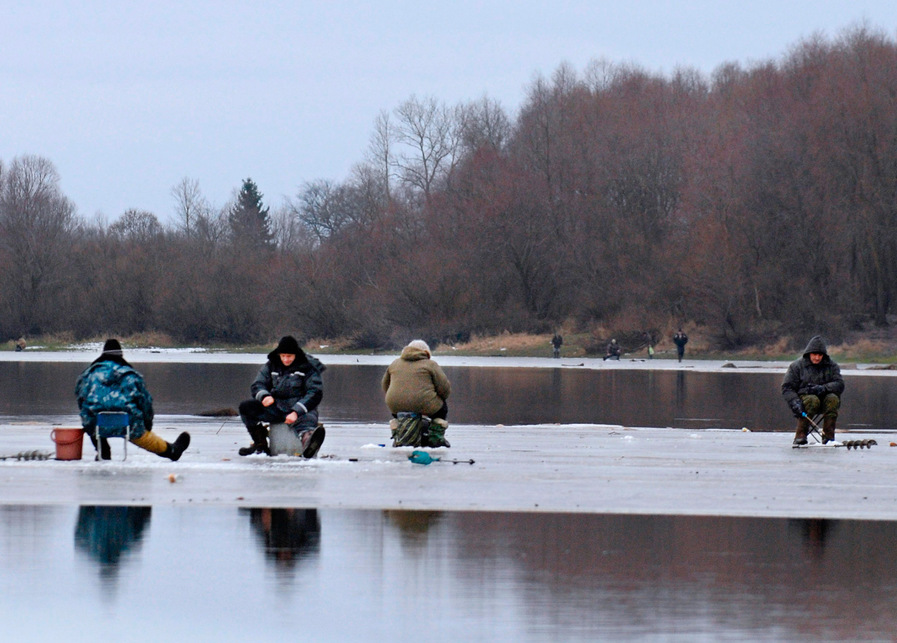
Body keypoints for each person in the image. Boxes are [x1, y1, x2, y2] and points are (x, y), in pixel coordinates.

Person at [75, 339, 190, 461]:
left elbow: (81, 399)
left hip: (96, 423)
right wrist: (147, 424)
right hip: (128, 423)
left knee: (92, 418)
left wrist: (87, 418)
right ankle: (172, 451)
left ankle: (103, 451)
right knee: (142, 435)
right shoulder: (131, 376)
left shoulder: (88, 375)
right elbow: (145, 402)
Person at [238, 335, 325, 458]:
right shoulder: (271, 365)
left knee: (307, 420)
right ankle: (260, 444)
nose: (286, 359)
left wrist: (296, 411)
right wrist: (264, 396)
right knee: (246, 407)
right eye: (283, 356)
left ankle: (308, 442)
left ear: (296, 355)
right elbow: (258, 384)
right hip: (276, 407)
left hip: (301, 407)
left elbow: (315, 393)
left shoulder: (309, 367)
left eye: (289, 356)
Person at [382, 340, 451, 447]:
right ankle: (436, 436)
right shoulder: (430, 364)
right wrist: (440, 398)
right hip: (424, 404)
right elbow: (444, 389)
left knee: (397, 414)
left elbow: (385, 385)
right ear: (426, 352)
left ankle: (396, 430)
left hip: (396, 404)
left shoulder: (395, 363)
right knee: (442, 408)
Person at [781, 335, 845, 445]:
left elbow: (839, 384)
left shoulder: (832, 366)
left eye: (820, 355)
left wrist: (824, 388)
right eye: (814, 354)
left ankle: (828, 437)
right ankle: (801, 435)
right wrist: (794, 402)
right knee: (812, 400)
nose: (817, 358)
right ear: (809, 354)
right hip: (805, 402)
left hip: (826, 400)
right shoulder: (796, 366)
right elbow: (787, 387)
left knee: (833, 399)